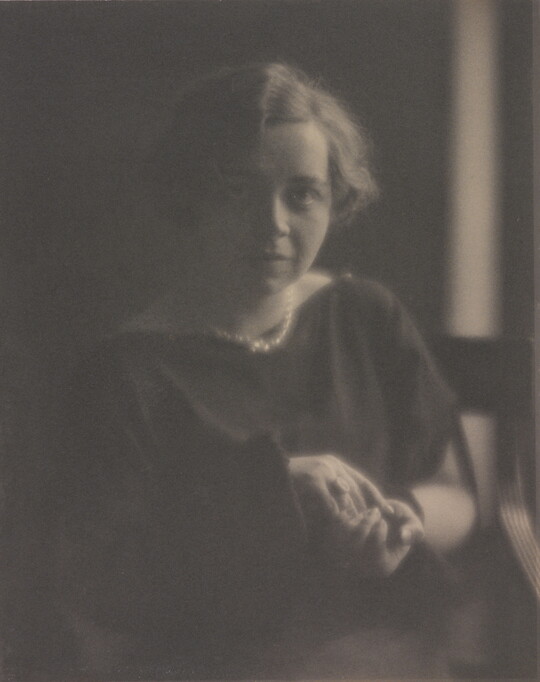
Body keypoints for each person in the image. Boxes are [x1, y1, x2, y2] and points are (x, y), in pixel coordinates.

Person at [24, 62, 477, 679]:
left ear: (335, 198)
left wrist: (402, 522)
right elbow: (98, 587)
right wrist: (270, 491)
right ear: (190, 193)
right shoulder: (126, 373)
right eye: (240, 190)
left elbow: (457, 496)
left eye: (303, 193)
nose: (274, 224)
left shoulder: (367, 316)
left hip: (383, 651)